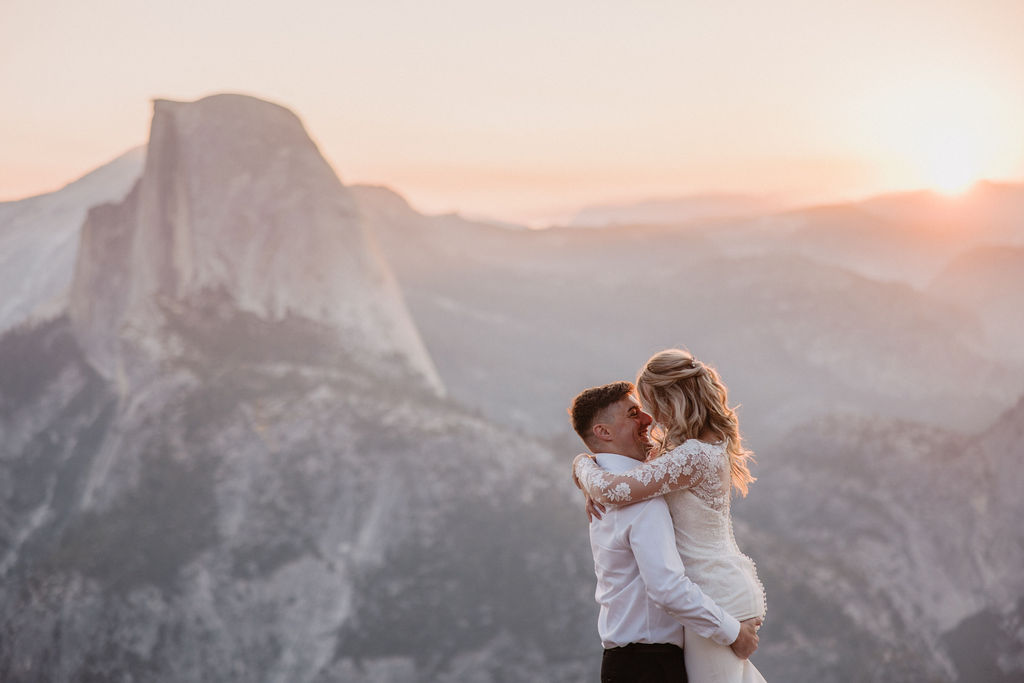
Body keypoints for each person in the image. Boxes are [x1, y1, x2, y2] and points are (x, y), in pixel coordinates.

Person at [573, 351, 768, 682]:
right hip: (718, 589)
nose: (649, 417)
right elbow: (620, 482)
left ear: (669, 399)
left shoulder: (690, 456)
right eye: (638, 411)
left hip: (715, 592)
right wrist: (587, 470)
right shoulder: (688, 450)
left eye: (647, 404)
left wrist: (580, 465)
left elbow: (616, 489)